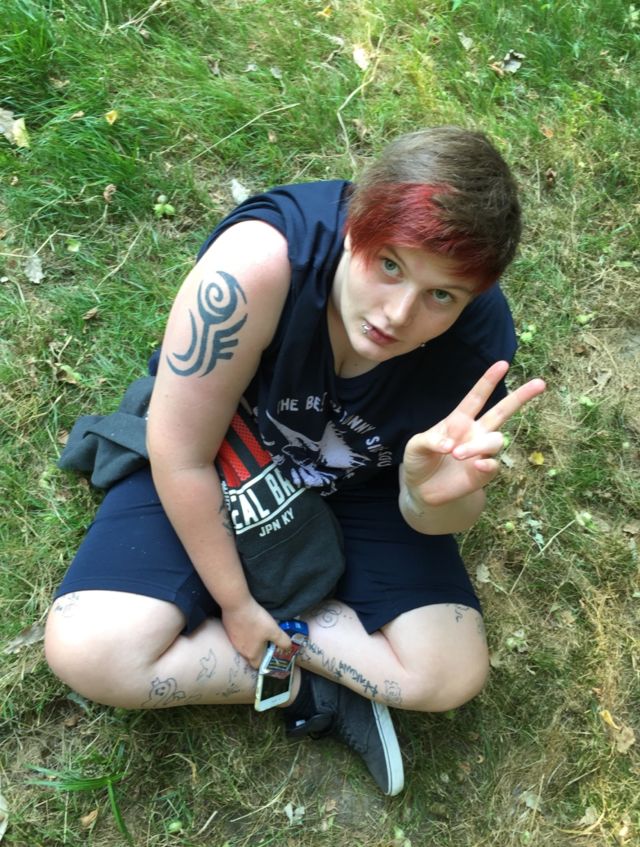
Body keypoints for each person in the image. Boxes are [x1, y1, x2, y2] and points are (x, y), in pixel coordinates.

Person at [45, 126, 545, 797]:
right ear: (355, 223)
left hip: (367, 479)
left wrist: (427, 494)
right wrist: (237, 604)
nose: (399, 314)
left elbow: (437, 516)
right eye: (389, 264)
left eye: (442, 295)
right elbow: (181, 452)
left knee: (448, 674)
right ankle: (320, 689)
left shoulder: (477, 347)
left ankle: (294, 654)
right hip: (229, 448)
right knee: (90, 650)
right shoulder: (253, 269)